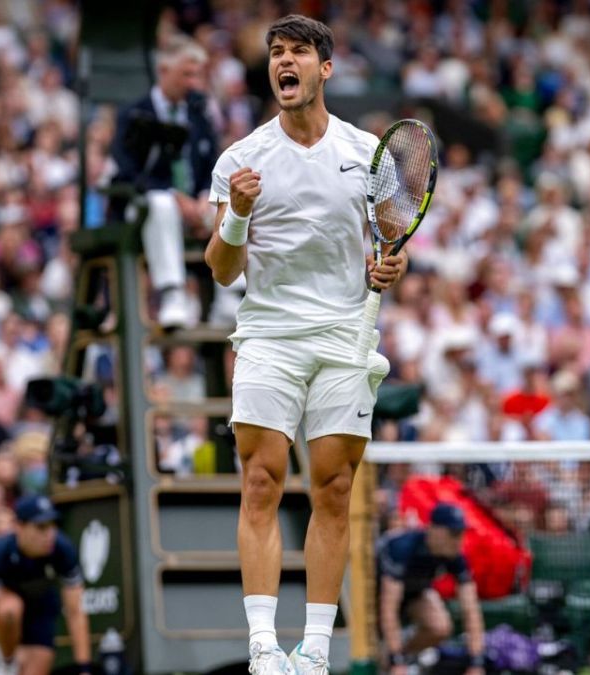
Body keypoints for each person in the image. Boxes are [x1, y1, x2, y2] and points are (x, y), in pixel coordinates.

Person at [203, 14, 407, 675]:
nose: (283, 62)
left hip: (345, 335)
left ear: (325, 68)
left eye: (297, 52)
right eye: (276, 53)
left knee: (334, 486)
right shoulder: (239, 161)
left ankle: (315, 649)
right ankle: (265, 645)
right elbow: (222, 269)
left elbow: (388, 243)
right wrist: (236, 212)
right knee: (261, 478)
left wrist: (389, 267)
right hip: (269, 335)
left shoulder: (367, 152)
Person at [113, 35, 218, 326]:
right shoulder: (135, 113)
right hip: (143, 207)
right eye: (187, 74)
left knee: (233, 203)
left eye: (197, 74)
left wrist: (204, 197)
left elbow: (212, 164)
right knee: (161, 205)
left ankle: (230, 297)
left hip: (193, 207)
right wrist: (174, 196)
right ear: (163, 70)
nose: (193, 82)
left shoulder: (199, 114)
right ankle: (172, 294)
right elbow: (127, 170)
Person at [0, 495, 91, 675]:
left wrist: (84, 668)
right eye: (40, 527)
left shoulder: (63, 550)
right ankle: (5, 661)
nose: (49, 534)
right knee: (10, 609)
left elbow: (76, 612)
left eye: (53, 525)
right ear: (19, 527)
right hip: (1, 615)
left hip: (40, 610)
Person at [377, 503, 485, 675]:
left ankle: (399, 657)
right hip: (373, 598)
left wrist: (476, 664)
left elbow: (471, 609)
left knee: (440, 626)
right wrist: (395, 662)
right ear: (435, 530)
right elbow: (388, 607)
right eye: (454, 534)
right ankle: (392, 657)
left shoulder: (455, 554)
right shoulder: (403, 547)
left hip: (413, 593)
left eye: (461, 534)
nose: (459, 540)